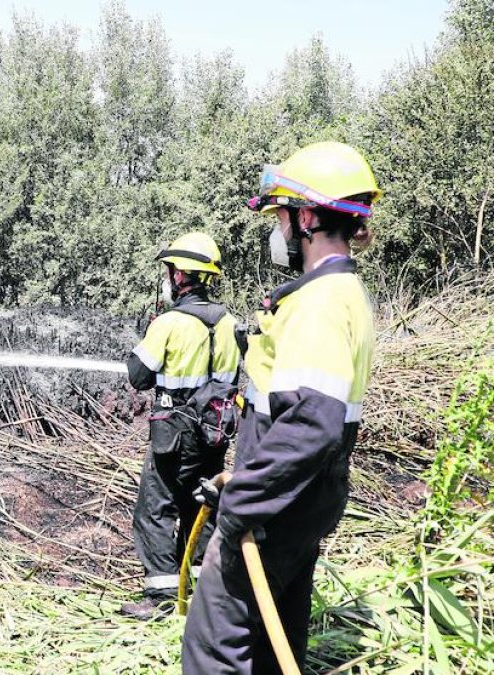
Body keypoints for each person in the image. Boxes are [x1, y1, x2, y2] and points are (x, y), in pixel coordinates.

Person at [181, 141, 380, 673]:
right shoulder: (341, 292)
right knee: (275, 639)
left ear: (308, 217)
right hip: (304, 505)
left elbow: (312, 424)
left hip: (273, 511)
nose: (278, 229)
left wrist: (241, 502)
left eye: (282, 216)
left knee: (214, 644)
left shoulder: (318, 306)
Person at [120, 232, 241, 620]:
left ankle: (161, 598)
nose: (168, 277)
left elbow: (139, 375)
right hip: (212, 433)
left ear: (182, 276)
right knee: (201, 504)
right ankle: (203, 595)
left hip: (173, 435)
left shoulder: (169, 322)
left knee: (154, 509)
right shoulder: (227, 322)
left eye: (171, 270)